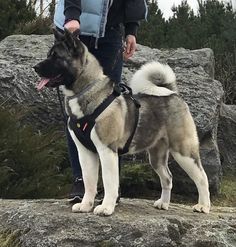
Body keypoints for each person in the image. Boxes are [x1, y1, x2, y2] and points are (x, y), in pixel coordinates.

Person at [53, 0, 147, 203]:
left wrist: (131, 29)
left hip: (111, 33)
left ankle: (112, 188)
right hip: (75, 31)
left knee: (112, 112)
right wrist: (71, 16)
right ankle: (81, 181)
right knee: (77, 111)